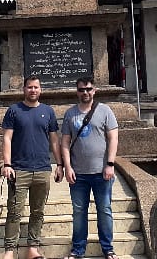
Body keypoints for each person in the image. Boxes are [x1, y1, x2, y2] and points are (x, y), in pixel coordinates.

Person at [1, 75, 63, 259]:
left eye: (36, 87)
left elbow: (54, 140)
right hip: (19, 169)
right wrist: (7, 164)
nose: (33, 90)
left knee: (38, 212)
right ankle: (9, 250)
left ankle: (32, 248)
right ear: (24, 89)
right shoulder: (14, 111)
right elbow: (7, 138)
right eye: (29, 87)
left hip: (43, 169)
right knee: (14, 212)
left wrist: (59, 164)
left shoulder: (48, 112)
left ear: (40, 90)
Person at [61, 76, 119, 259]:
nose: (85, 92)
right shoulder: (70, 114)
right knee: (79, 212)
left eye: (88, 89)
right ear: (77, 92)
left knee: (104, 210)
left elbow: (113, 138)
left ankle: (108, 248)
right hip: (78, 174)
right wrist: (67, 167)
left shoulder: (105, 111)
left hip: (102, 172)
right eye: (81, 90)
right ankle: (78, 249)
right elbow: (65, 143)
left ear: (94, 90)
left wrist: (110, 164)